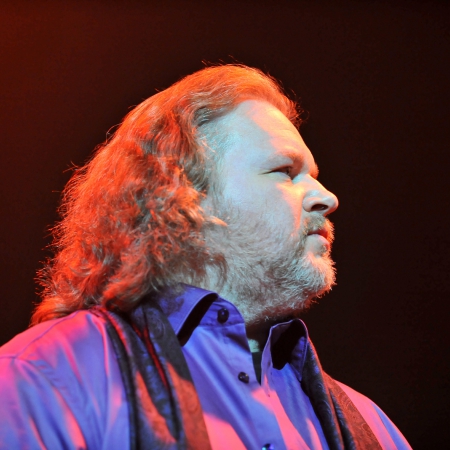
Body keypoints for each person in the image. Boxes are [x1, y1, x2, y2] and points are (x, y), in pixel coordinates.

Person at [0, 65, 411, 449]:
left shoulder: (373, 426)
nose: (327, 198)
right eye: (285, 171)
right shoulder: (50, 378)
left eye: (315, 177)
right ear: (182, 198)